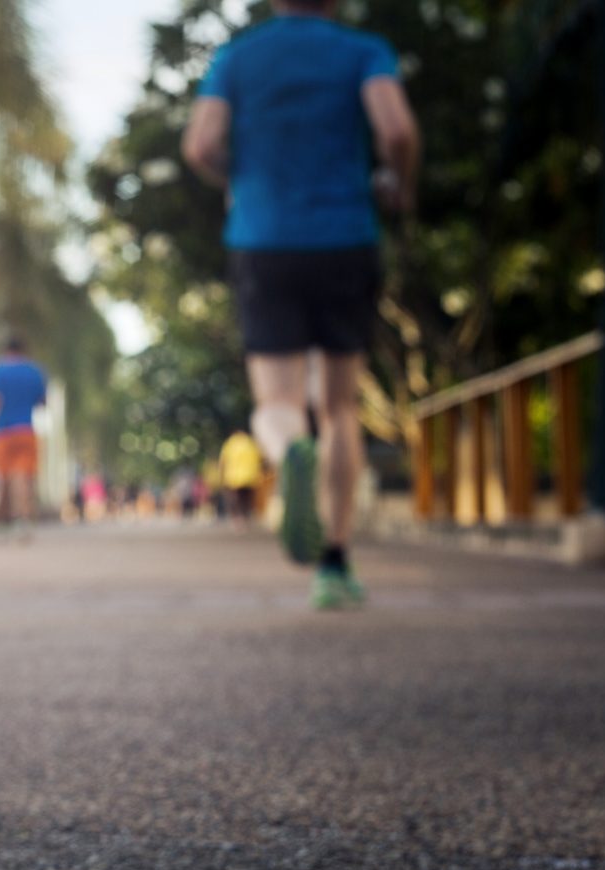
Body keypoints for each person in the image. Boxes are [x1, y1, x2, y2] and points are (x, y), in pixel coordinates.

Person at [182, 0, 420, 610]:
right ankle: (335, 565)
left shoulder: (237, 57)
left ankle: (290, 451)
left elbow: (201, 143)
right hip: (345, 239)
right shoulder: (362, 51)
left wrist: (239, 179)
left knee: (277, 401)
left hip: (263, 242)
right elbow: (396, 131)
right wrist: (400, 180)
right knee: (339, 406)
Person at [0, 337, 48, 536]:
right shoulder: (35, 371)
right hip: (25, 430)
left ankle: (1, 522)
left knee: (2, 479)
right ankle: (22, 519)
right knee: (22, 477)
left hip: (1, 432)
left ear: (6, 350)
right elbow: (42, 402)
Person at [219, 430, 265, 529]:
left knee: (235, 499)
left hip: (234, 477)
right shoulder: (250, 443)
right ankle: (245, 517)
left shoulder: (231, 443)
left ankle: (237, 519)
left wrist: (222, 475)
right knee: (246, 498)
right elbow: (260, 458)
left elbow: (223, 460)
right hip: (250, 476)